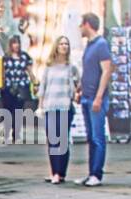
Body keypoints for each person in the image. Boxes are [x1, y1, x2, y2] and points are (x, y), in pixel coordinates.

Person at [38, 34, 79, 183]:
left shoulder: (71, 67)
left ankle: (61, 172)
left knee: (62, 140)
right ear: (56, 46)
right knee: (52, 140)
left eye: (66, 44)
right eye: (61, 44)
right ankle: (54, 171)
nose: (64, 46)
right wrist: (40, 105)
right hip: (50, 106)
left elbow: (77, 84)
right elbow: (43, 86)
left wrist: (75, 92)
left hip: (64, 106)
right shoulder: (49, 66)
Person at [78, 12, 111, 186]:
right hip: (86, 96)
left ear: (87, 24)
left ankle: (97, 173)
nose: (79, 28)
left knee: (98, 137)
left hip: (96, 98)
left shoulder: (101, 44)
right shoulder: (90, 45)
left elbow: (106, 71)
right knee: (91, 137)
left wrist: (99, 97)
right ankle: (91, 172)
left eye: (81, 25)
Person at [1, 35, 32, 140]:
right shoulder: (5, 57)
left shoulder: (24, 56)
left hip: (21, 86)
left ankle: (16, 132)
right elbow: (2, 72)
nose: (16, 45)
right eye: (14, 43)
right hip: (8, 87)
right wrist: (1, 84)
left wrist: (35, 81)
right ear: (10, 45)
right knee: (8, 110)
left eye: (18, 42)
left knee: (18, 110)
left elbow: (29, 70)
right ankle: (6, 131)